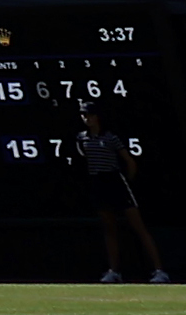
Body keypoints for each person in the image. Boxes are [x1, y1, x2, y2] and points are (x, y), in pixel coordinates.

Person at [69, 114, 162, 282]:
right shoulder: (81, 139)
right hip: (98, 182)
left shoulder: (110, 137)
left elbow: (129, 161)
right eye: (84, 116)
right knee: (109, 228)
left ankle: (159, 271)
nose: (87, 119)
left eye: (90, 115)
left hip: (115, 181)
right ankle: (114, 271)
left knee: (138, 227)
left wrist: (126, 181)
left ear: (97, 117)